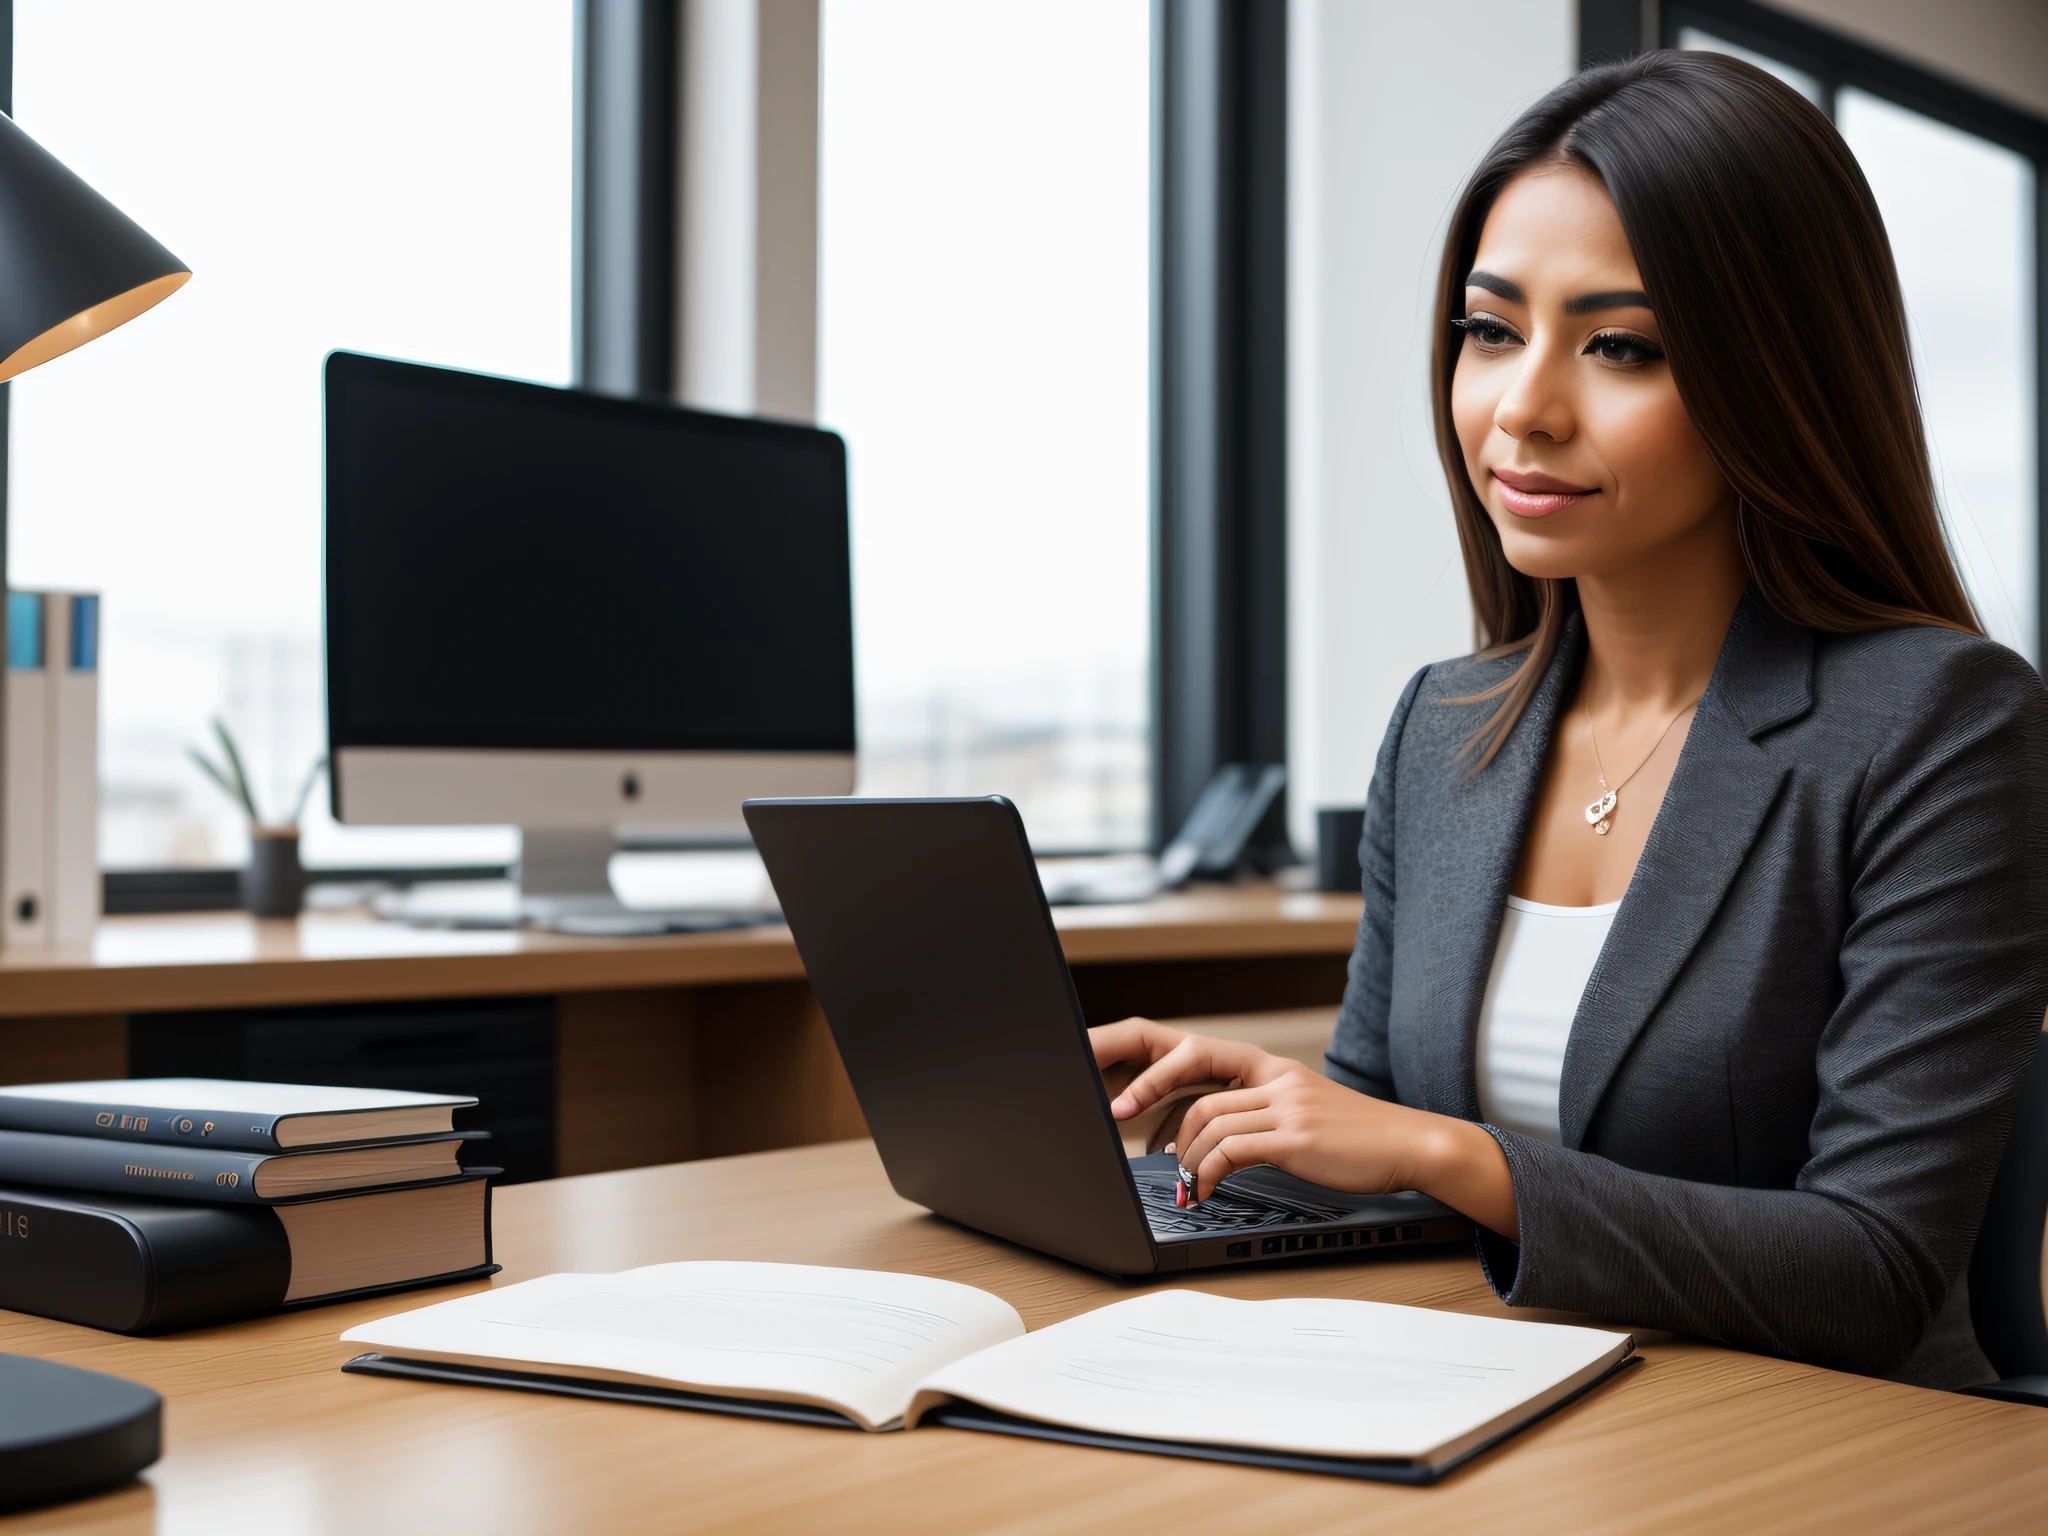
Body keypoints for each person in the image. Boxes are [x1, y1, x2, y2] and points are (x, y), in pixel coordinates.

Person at [1092, 50, 2048, 1388]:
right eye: (1491, 330)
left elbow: (1877, 1269)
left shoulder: (1941, 724)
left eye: (1621, 347)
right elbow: (1393, 1130)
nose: (1523, 408)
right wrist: (1278, 1117)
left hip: (1813, 1447)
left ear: (1778, 377)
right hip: (1504, 1397)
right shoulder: (1447, 725)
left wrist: (1453, 1157)